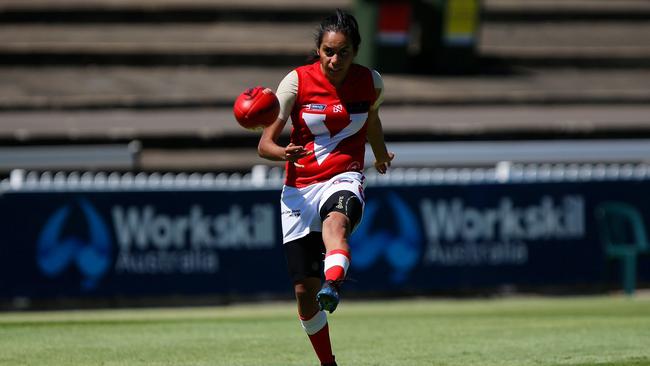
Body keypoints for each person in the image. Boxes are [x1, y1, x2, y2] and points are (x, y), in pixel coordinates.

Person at [257, 8, 394, 366]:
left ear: (356, 51)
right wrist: (282, 151)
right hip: (299, 188)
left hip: (344, 176)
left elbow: (373, 121)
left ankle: (333, 285)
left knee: (337, 224)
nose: (335, 59)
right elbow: (264, 144)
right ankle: (328, 362)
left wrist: (379, 155)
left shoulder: (371, 82)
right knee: (304, 292)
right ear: (318, 51)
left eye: (343, 52)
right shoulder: (296, 82)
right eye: (328, 51)